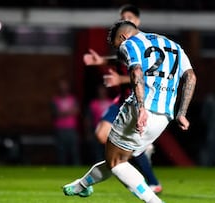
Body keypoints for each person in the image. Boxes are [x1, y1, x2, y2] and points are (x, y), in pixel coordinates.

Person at [62, 20, 197, 203]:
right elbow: (190, 76)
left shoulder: (129, 43)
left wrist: (141, 108)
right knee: (118, 159)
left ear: (123, 37)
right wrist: (182, 112)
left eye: (117, 46)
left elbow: (136, 71)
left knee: (116, 162)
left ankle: (154, 201)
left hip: (139, 110)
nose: (119, 51)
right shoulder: (173, 45)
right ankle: (82, 186)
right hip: (164, 116)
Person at [84, 4, 162, 193]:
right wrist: (101, 60)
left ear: (137, 21)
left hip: (139, 101)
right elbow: (120, 58)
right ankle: (141, 158)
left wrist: (120, 78)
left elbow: (149, 75)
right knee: (102, 134)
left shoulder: (145, 44)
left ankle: (150, 181)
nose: (124, 20)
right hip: (122, 99)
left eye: (128, 17)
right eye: (122, 17)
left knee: (127, 146)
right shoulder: (126, 44)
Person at [51, 79, 81, 165]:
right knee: (61, 152)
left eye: (64, 86)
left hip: (71, 128)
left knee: (74, 151)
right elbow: (56, 113)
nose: (63, 88)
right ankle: (61, 170)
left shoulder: (73, 99)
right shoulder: (55, 99)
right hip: (60, 129)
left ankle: (76, 170)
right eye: (61, 87)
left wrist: (63, 112)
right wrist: (69, 111)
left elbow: (76, 111)